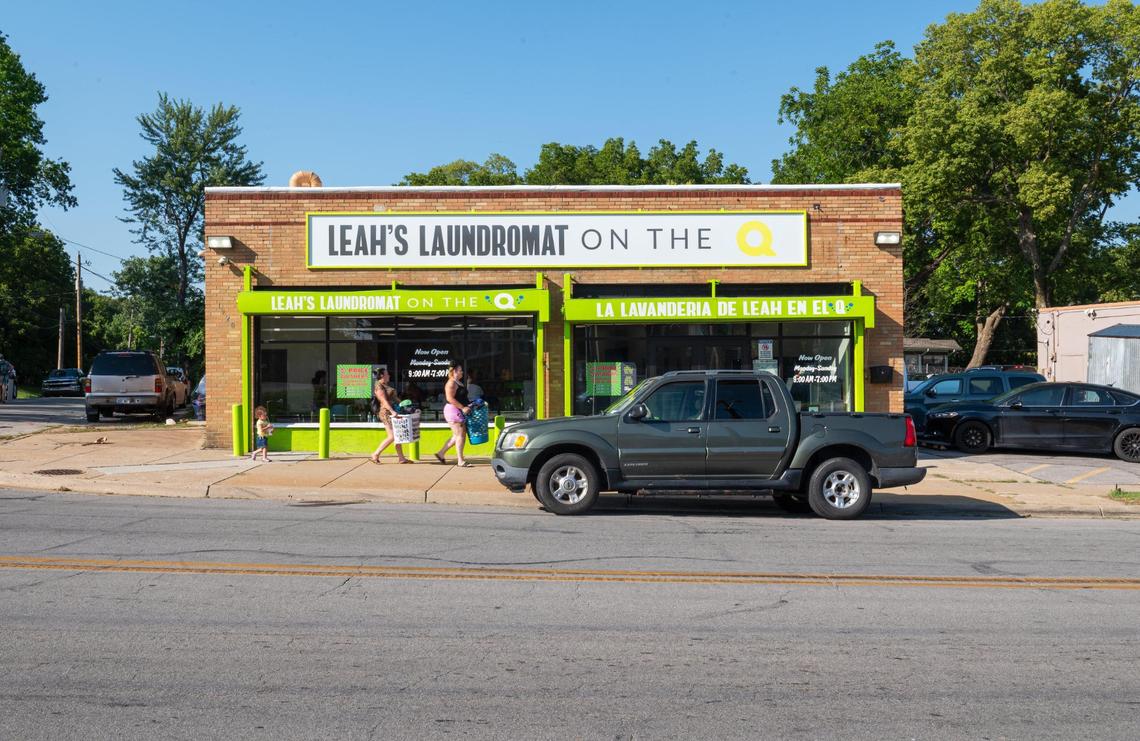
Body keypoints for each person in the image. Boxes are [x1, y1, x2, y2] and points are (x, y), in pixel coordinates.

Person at [369, 368, 410, 464]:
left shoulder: (384, 385)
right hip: (386, 413)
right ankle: (375, 454)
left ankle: (401, 458)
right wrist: (392, 411)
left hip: (392, 412)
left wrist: (406, 406)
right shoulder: (379, 386)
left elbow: (394, 399)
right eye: (387, 374)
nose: (389, 375)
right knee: (392, 436)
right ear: (382, 375)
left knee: (397, 435)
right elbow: (383, 401)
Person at [434, 360, 471, 467]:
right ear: (454, 371)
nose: (462, 372)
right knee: (460, 435)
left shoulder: (458, 382)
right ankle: (460, 460)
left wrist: (469, 404)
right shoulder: (451, 383)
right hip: (453, 410)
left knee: (457, 435)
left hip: (457, 409)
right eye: (460, 370)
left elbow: (462, 397)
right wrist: (463, 407)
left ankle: (441, 453)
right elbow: (449, 398)